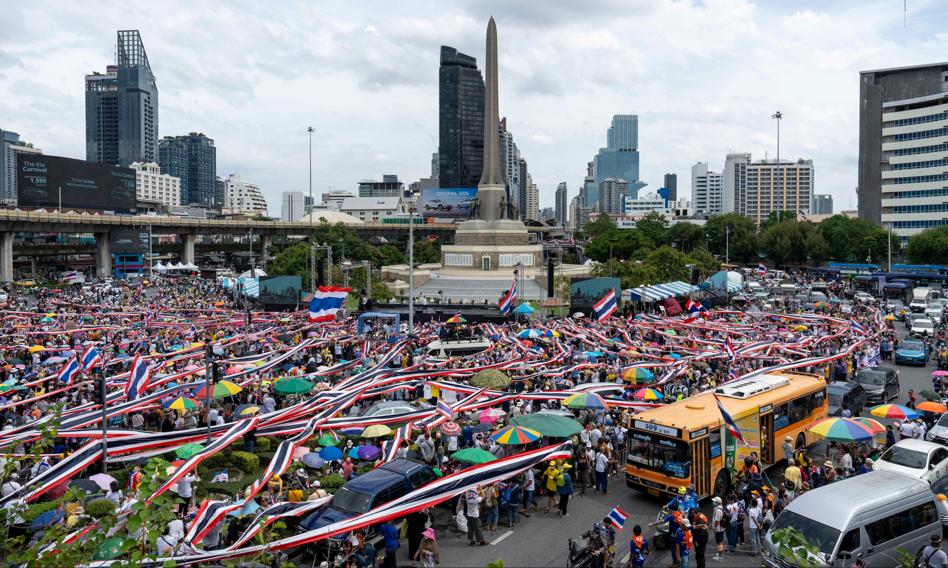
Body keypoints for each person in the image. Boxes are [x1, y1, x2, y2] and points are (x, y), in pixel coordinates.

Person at [711, 496, 727, 561]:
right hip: (720, 529)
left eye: (714, 501)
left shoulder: (718, 510)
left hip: (718, 529)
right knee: (720, 541)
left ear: (718, 503)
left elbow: (717, 521)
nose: (713, 502)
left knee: (719, 542)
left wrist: (714, 528)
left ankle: (720, 556)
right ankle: (720, 553)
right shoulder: (719, 508)